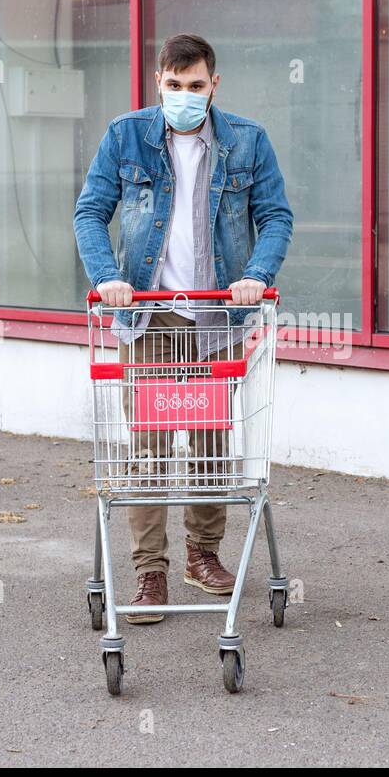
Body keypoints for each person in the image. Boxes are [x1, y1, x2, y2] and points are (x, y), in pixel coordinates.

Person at [72, 33, 294, 623]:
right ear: (157, 82)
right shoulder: (126, 136)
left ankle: (203, 555)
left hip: (218, 315)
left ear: (214, 86)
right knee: (146, 450)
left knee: (210, 446)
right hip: (148, 313)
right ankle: (149, 572)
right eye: (174, 86)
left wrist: (256, 275)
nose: (185, 96)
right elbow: (91, 211)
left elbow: (274, 215)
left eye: (196, 87)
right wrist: (107, 277)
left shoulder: (247, 141)